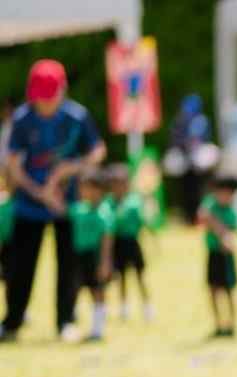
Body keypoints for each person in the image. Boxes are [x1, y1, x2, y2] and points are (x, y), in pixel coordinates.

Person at [2, 59, 106, 343]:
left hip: (67, 204)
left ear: (62, 92)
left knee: (68, 266)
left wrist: (70, 168)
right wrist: (39, 192)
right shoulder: (23, 119)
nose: (45, 104)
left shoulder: (77, 117)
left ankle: (65, 321)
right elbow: (13, 163)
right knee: (20, 266)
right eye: (40, 98)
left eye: (50, 98)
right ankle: (12, 321)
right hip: (29, 203)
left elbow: (97, 150)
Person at [68, 169, 113, 343]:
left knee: (97, 291)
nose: (82, 191)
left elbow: (107, 239)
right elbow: (61, 208)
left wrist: (105, 262)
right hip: (80, 256)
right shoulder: (80, 209)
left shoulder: (104, 212)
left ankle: (97, 329)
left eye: (86, 187)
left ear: (97, 189)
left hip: (95, 256)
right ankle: (72, 324)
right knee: (77, 290)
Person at [198, 174, 237, 338]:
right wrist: (220, 230)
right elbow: (203, 216)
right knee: (213, 289)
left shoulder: (231, 213)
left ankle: (232, 324)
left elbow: (229, 237)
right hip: (214, 254)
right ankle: (218, 324)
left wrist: (217, 227)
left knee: (229, 291)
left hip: (226, 256)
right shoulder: (210, 204)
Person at [107, 165, 151, 322]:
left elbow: (142, 222)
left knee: (139, 276)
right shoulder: (109, 203)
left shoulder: (134, 202)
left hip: (132, 242)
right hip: (117, 243)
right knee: (121, 277)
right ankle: (124, 307)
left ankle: (147, 307)